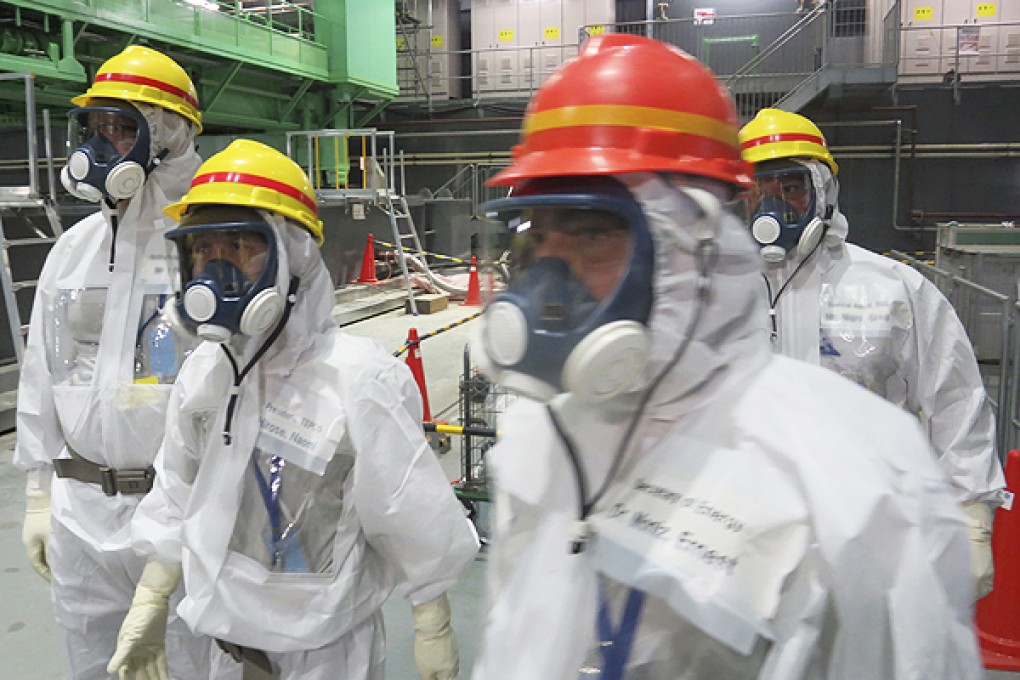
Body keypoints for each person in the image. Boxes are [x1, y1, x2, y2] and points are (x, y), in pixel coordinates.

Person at [469, 34, 983, 679]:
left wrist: (974, 512)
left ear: (692, 245)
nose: (549, 279)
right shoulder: (541, 437)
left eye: (593, 232)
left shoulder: (858, 481)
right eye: (537, 236)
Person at [107, 139, 479, 680]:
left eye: (239, 247)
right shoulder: (205, 373)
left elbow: (407, 509)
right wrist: (150, 596)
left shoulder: (357, 379)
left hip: (323, 656)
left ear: (295, 256)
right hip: (224, 647)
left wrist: (433, 622)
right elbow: (177, 492)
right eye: (203, 251)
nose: (217, 270)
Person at [14, 45, 237, 679]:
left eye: (123, 128)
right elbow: (43, 369)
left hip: (183, 511)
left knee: (194, 664)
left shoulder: (213, 242)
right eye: (97, 128)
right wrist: (38, 493)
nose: (104, 145)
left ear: (168, 137)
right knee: (93, 664)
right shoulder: (75, 247)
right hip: (81, 509)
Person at [738, 107, 1005, 599]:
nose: (774, 210)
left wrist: (972, 514)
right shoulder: (720, 297)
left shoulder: (892, 288)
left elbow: (954, 399)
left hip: (875, 532)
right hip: (755, 538)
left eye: (791, 189)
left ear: (823, 192)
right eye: (760, 193)